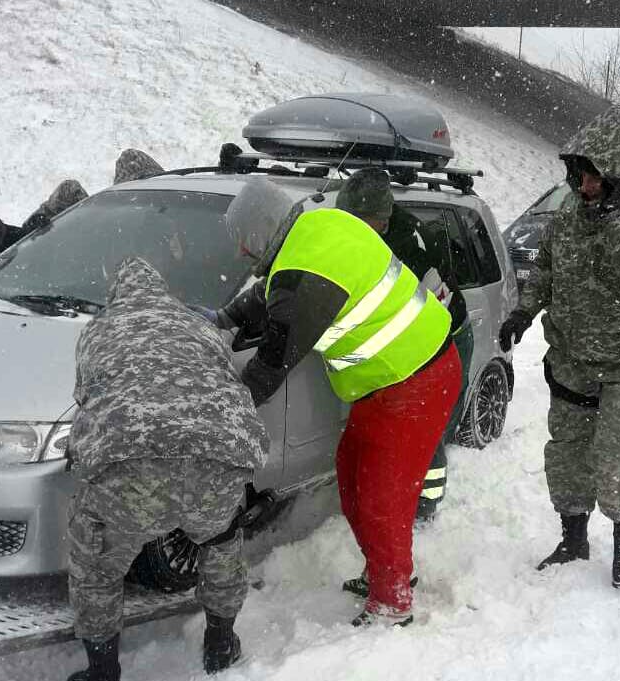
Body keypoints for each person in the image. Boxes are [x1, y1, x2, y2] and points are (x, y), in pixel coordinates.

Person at [197, 177, 461, 626]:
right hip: (390, 380)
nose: (241, 252)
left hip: (416, 378)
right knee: (353, 476)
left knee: (380, 496)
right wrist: (224, 318)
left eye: (243, 242)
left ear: (260, 231)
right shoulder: (317, 229)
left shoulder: (303, 279)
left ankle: (392, 602)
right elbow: (271, 291)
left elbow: (270, 365)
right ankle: (385, 571)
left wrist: (218, 413)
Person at [64, 257, 269, 681]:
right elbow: (221, 380)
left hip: (130, 465)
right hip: (219, 454)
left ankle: (102, 675)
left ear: (116, 294)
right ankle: (220, 643)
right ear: (163, 291)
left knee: (97, 563)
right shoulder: (199, 326)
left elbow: (87, 397)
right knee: (221, 544)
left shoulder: (99, 329)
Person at [498, 106, 620, 589]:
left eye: (595, 178)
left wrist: (613, 221)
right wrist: (524, 311)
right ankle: (573, 537)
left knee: (616, 453)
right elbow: (547, 269)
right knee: (568, 451)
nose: (584, 188)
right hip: (571, 355)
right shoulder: (569, 214)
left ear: (619, 177)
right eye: (580, 177)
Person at [334, 167, 473, 523]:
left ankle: (425, 503)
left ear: (381, 218)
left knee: (426, 429)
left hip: (447, 337)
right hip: (419, 334)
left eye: (360, 221)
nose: (352, 228)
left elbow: (420, 316)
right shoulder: (366, 232)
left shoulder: (409, 246)